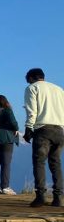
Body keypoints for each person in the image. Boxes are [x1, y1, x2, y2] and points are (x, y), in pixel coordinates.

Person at [23, 68, 64, 207]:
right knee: (56, 163)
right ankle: (58, 197)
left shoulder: (32, 88)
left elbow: (32, 110)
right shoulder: (59, 89)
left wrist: (29, 128)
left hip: (43, 130)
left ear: (32, 77)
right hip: (60, 130)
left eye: (27, 78)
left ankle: (40, 196)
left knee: (39, 162)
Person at [0, 95, 19, 195]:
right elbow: (14, 123)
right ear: (6, 101)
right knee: (6, 163)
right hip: (7, 138)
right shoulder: (7, 110)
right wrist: (15, 129)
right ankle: (5, 187)